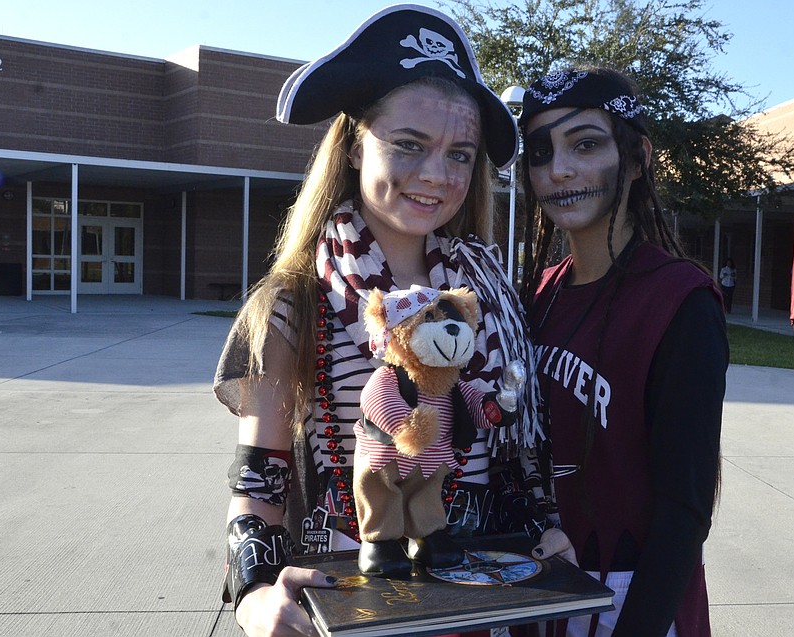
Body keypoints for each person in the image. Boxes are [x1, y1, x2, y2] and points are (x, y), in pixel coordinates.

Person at [213, 6, 563, 637]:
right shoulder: (292, 301)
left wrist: (546, 528)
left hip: (483, 595)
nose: (437, 174)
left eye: (460, 154)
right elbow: (258, 479)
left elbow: (512, 446)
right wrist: (254, 593)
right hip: (354, 596)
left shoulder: (490, 296)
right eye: (409, 144)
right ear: (352, 146)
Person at [517, 67, 728, 637]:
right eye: (541, 151)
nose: (559, 170)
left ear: (637, 158)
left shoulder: (680, 301)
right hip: (531, 590)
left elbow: (684, 510)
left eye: (585, 144)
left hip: (631, 599)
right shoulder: (533, 297)